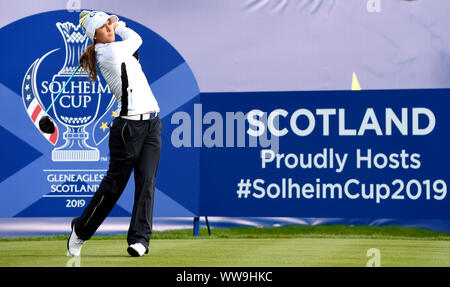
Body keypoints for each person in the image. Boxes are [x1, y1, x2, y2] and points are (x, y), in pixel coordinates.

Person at [67, 10, 162, 257]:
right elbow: (137, 39)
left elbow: (133, 41)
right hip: (127, 130)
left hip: (152, 125)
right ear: (94, 35)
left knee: (146, 184)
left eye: (109, 24)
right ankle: (80, 230)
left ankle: (139, 239)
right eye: (104, 26)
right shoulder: (107, 52)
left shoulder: (116, 48)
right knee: (113, 187)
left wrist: (116, 24)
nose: (109, 28)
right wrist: (120, 26)